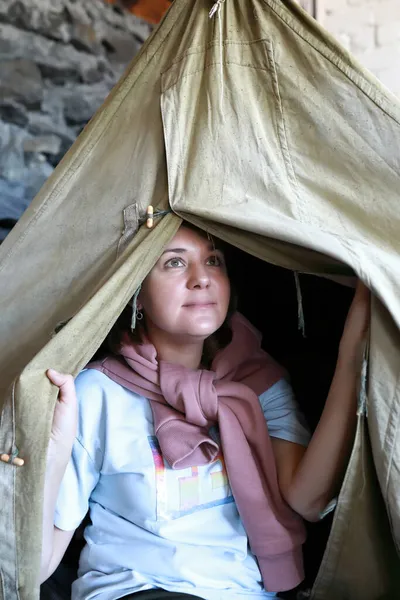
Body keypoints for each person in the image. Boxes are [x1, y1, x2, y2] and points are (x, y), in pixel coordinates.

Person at [40, 224, 370, 600]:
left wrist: (351, 357)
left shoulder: (257, 383)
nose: (201, 279)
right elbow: (39, 564)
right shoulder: (98, 392)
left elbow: (308, 500)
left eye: (214, 261)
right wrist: (53, 450)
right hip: (137, 590)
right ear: (136, 296)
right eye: (175, 263)